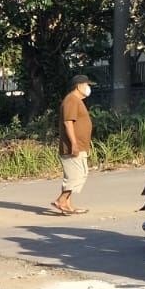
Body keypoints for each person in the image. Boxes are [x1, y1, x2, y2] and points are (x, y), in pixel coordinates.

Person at [52, 74, 93, 216]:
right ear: (79, 86)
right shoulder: (72, 100)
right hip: (73, 146)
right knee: (77, 175)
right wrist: (74, 144)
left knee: (74, 175)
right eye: (87, 85)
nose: (88, 88)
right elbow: (68, 122)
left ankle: (67, 204)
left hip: (80, 145)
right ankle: (61, 200)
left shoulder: (76, 101)